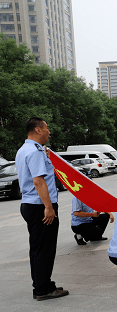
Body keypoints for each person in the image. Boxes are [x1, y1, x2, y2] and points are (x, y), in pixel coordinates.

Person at [16, 117, 69, 301]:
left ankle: (41, 284)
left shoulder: (25, 150)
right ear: (38, 130)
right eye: (46, 128)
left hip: (30, 204)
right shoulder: (35, 152)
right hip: (40, 206)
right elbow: (39, 181)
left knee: (37, 249)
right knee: (45, 249)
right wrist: (48, 207)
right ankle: (43, 289)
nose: (49, 131)